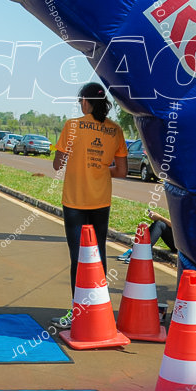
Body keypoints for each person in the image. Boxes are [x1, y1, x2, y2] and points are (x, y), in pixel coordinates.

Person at [50, 82, 127, 328]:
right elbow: (122, 171)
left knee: (78, 258)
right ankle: (99, 312)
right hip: (101, 201)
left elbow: (57, 164)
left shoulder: (72, 126)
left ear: (85, 101)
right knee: (98, 255)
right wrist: (101, 170)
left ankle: (78, 313)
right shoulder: (115, 130)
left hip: (74, 201)